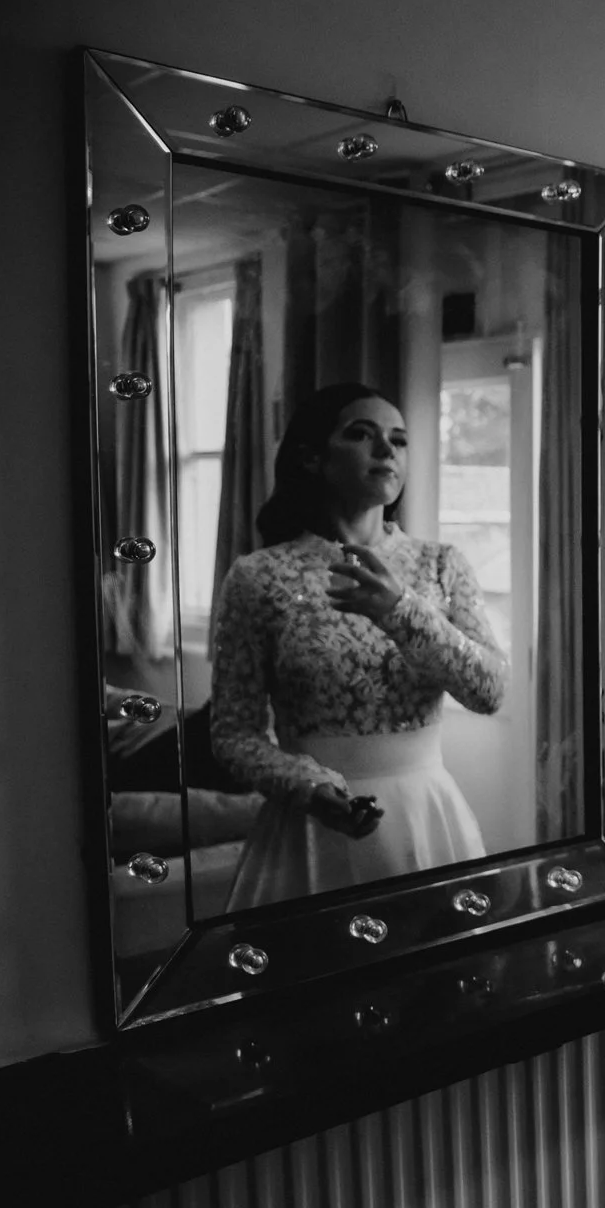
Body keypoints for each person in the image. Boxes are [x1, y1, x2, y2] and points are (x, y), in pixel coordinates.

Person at [211, 382, 507, 910]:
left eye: (399, 439)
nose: (387, 451)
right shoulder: (257, 577)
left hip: (427, 819)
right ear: (311, 457)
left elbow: (490, 691)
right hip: (309, 828)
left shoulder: (442, 565)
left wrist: (402, 610)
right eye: (361, 435)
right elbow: (233, 733)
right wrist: (307, 785)